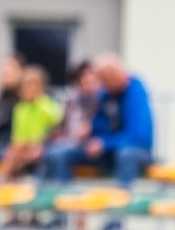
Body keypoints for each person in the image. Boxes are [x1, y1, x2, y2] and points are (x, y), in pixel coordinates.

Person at [42, 53, 153, 184]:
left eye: (106, 79)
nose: (103, 85)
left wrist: (104, 143)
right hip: (108, 150)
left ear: (116, 73)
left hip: (136, 151)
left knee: (126, 154)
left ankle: (122, 199)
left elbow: (138, 136)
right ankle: (60, 196)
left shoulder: (136, 93)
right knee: (61, 153)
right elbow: (99, 127)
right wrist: (90, 132)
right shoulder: (105, 94)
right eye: (102, 80)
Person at [0, 64, 62, 179]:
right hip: (26, 146)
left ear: (41, 88)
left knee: (38, 155)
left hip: (45, 145)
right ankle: (4, 187)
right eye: (26, 87)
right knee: (10, 155)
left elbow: (57, 129)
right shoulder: (20, 109)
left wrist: (38, 143)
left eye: (33, 86)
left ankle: (39, 187)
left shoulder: (48, 106)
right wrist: (18, 146)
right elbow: (18, 136)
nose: (29, 90)